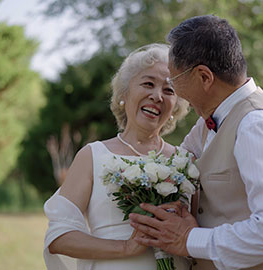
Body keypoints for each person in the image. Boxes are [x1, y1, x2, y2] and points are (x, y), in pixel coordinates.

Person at [129, 15, 263, 270]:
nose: (175, 90)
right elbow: (177, 164)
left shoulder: (256, 126)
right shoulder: (212, 120)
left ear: (204, 77)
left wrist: (188, 239)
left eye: (174, 81)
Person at [43, 43, 191, 270]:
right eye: (148, 84)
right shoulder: (93, 156)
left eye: (169, 90)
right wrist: (125, 248)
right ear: (124, 93)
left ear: (176, 106)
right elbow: (59, 237)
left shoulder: (185, 162)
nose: (157, 96)